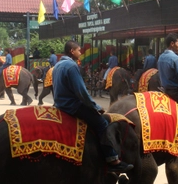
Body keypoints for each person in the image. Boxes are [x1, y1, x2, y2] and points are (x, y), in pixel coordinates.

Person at [52, 40, 133, 172]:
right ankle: (113, 159)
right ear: (72, 51)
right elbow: (81, 92)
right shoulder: (72, 66)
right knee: (101, 123)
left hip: (60, 104)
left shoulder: (58, 65)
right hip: (72, 106)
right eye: (79, 50)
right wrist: (95, 106)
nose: (81, 53)